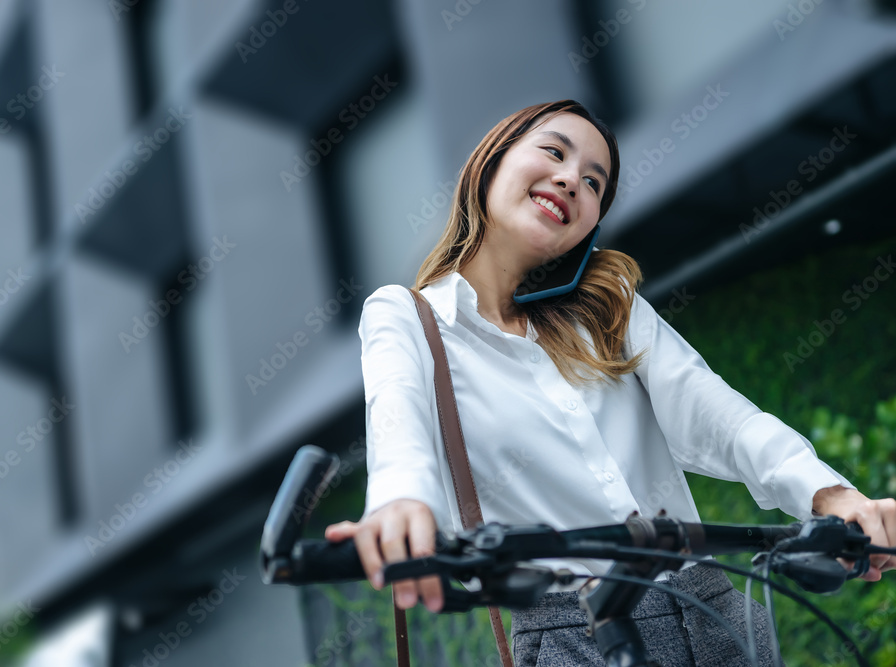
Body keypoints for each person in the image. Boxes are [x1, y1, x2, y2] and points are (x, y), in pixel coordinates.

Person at [324, 100, 896, 665]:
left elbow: (720, 417)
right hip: (573, 634)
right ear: (490, 162)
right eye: (554, 152)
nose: (573, 179)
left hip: (709, 605)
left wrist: (829, 494)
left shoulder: (610, 309)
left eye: (595, 182)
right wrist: (400, 503)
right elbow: (397, 420)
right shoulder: (406, 316)